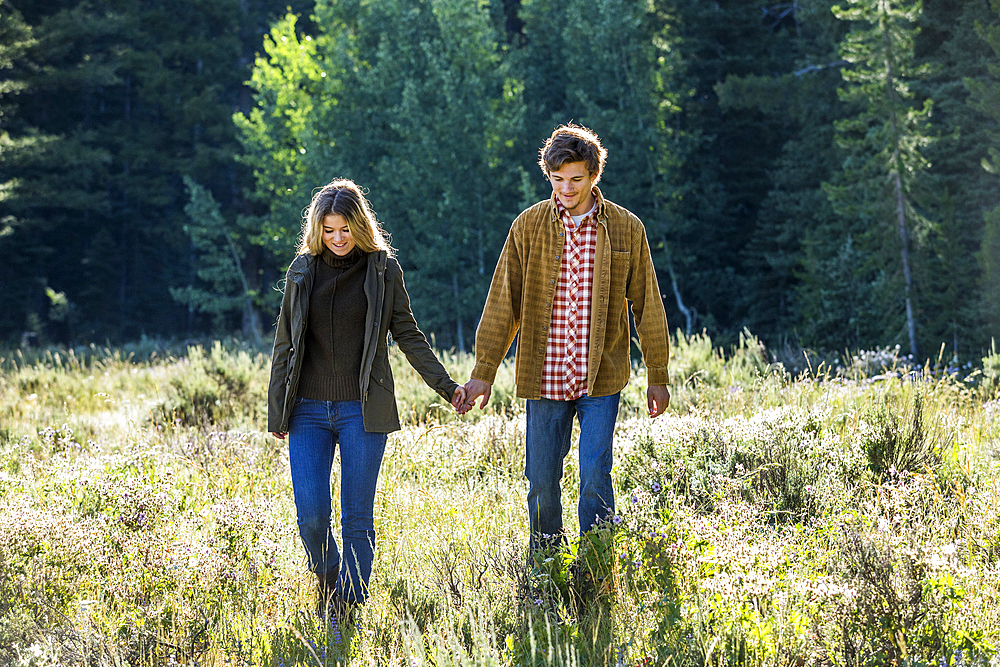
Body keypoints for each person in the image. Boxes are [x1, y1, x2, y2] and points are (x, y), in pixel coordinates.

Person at [460, 124, 671, 553]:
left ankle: (594, 564)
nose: (567, 188)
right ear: (548, 176)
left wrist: (658, 373)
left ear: (594, 175)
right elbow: (504, 303)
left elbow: (647, 303)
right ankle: (547, 568)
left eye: (576, 179)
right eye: (558, 180)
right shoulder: (528, 226)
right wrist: (484, 371)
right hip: (545, 376)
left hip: (602, 377)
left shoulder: (627, 228)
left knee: (595, 473)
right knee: (541, 481)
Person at [268, 179, 466, 622]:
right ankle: (330, 580)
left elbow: (408, 333)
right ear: (317, 230)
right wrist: (277, 410)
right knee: (312, 518)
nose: (338, 239)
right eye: (329, 230)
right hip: (307, 412)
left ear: (361, 225)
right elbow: (284, 345)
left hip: (363, 411)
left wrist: (447, 386)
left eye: (346, 229)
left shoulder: (382, 270)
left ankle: (349, 605)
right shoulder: (302, 271)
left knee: (357, 518)